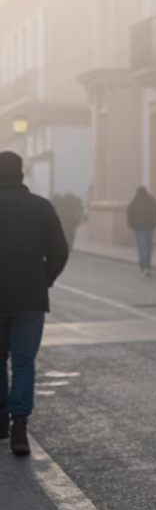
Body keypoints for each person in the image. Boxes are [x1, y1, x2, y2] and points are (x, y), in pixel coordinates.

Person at [0, 151, 69, 456]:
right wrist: (46, 278)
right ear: (22, 174)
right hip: (30, 296)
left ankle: (0, 421)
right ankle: (19, 428)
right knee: (24, 363)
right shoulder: (41, 207)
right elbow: (60, 251)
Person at [126, 185, 156, 276]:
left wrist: (132, 226)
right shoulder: (152, 201)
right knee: (148, 247)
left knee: (142, 248)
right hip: (149, 227)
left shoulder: (134, 202)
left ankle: (143, 267)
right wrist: (154, 224)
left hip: (139, 228)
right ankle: (147, 266)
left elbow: (129, 215)